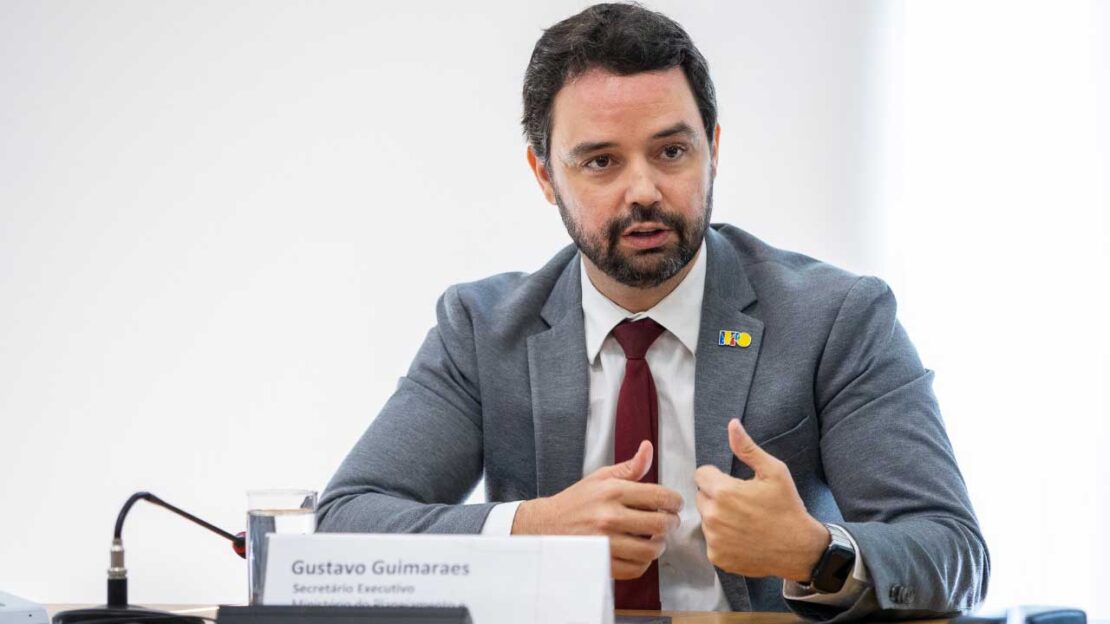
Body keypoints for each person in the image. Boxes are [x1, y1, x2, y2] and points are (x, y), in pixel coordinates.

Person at [317, 3, 989, 621]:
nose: (643, 190)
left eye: (671, 152)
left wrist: (816, 552)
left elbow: (954, 551)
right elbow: (345, 523)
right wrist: (532, 530)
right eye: (601, 162)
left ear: (713, 149)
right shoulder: (483, 330)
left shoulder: (836, 319)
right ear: (545, 175)